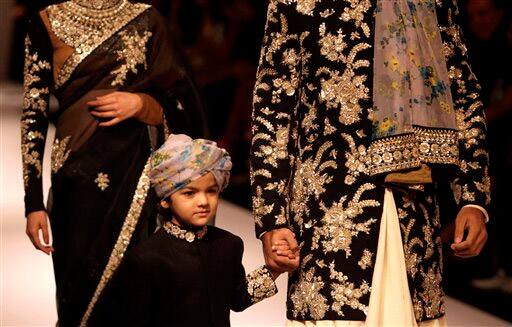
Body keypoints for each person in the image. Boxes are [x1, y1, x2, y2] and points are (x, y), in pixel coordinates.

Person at [250, 0, 490, 326]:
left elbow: (460, 92)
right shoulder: (297, 2)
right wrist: (272, 218)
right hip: (329, 221)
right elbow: (273, 109)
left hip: (413, 216)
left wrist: (473, 199)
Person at [21, 0, 206, 325]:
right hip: (75, 178)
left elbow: (182, 95)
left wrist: (143, 104)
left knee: (134, 295)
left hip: (136, 173)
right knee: (77, 294)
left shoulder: (147, 19)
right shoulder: (47, 21)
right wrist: (33, 201)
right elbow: (33, 113)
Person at [94, 134, 287, 326]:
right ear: (165, 199)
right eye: (189, 193)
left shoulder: (228, 244)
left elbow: (237, 299)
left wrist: (273, 270)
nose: (203, 201)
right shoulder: (147, 258)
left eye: (211, 191)